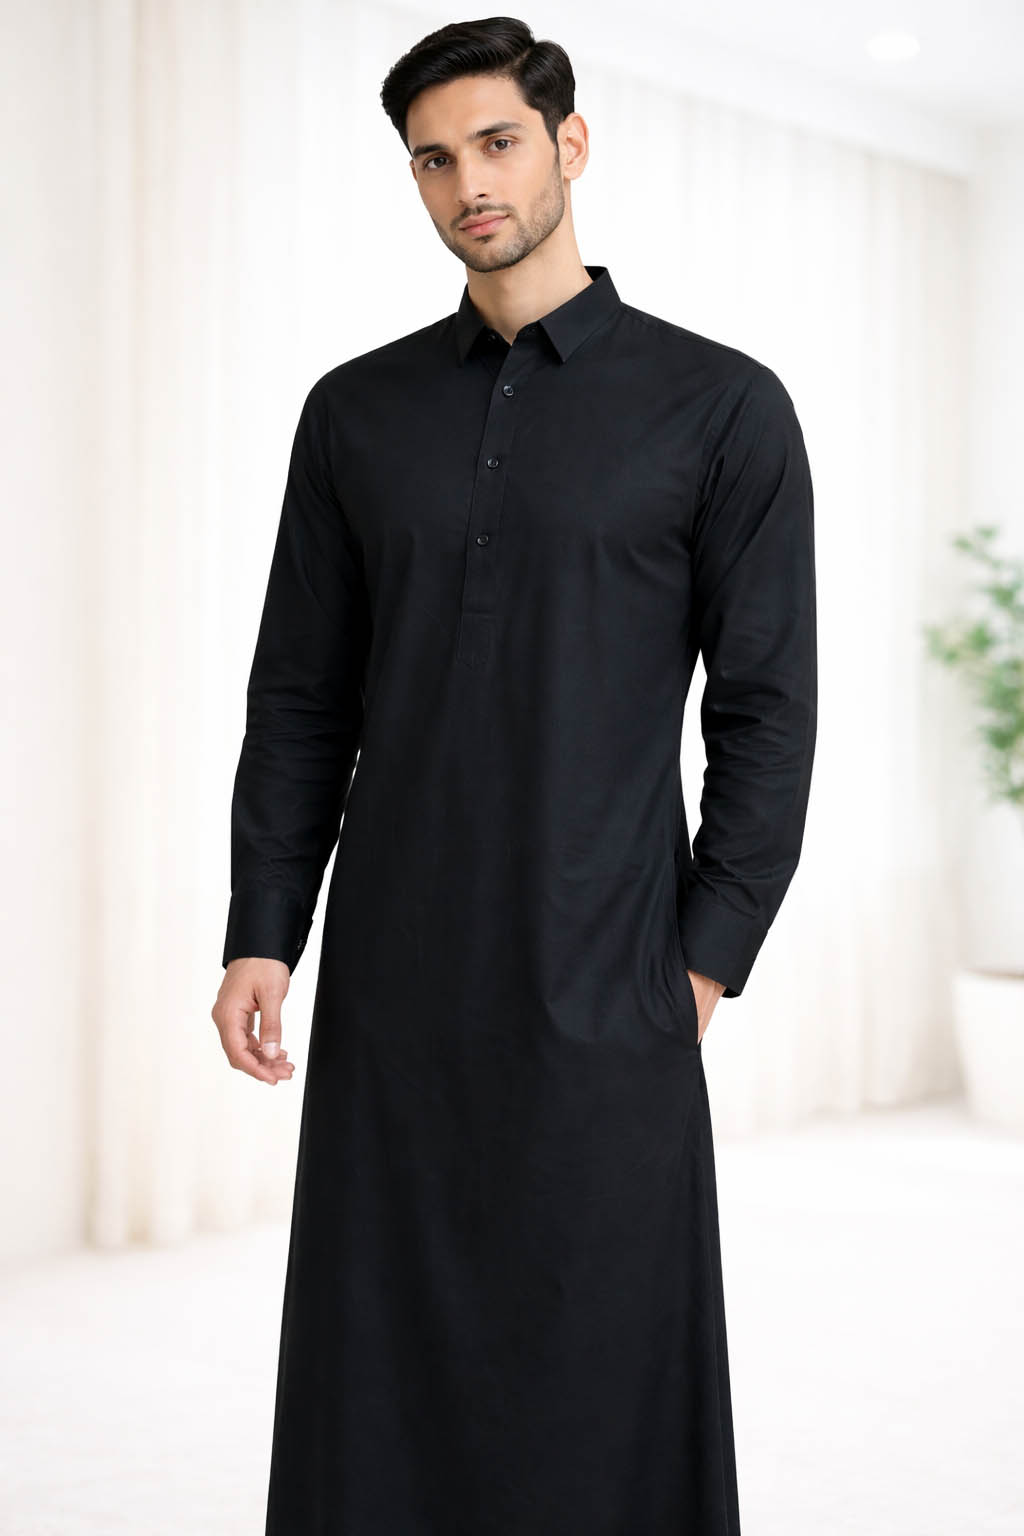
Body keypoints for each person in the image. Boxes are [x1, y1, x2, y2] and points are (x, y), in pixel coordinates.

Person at [211, 16, 817, 1534]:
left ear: (569, 146)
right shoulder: (354, 414)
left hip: (608, 972)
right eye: (434, 159)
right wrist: (264, 929)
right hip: (395, 981)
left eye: (496, 143)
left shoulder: (722, 406)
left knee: (602, 1345)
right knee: (383, 1356)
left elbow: (766, 712)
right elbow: (300, 697)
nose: (469, 183)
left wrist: (702, 963)